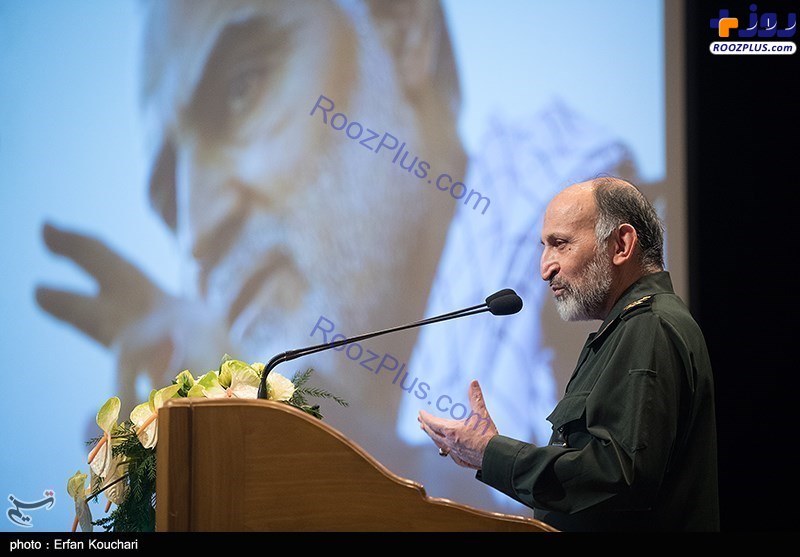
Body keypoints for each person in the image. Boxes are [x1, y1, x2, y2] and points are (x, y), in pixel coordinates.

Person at [35, 0, 664, 515]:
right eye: (169, 193)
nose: (199, 226)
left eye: (241, 89)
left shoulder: (619, 282)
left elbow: (600, 504)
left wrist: (265, 434)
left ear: (402, 29)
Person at [418, 176, 719, 531]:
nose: (545, 268)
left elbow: (614, 477)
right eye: (544, 247)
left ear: (621, 244)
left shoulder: (650, 327)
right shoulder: (628, 328)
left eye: (560, 244)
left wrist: (491, 453)